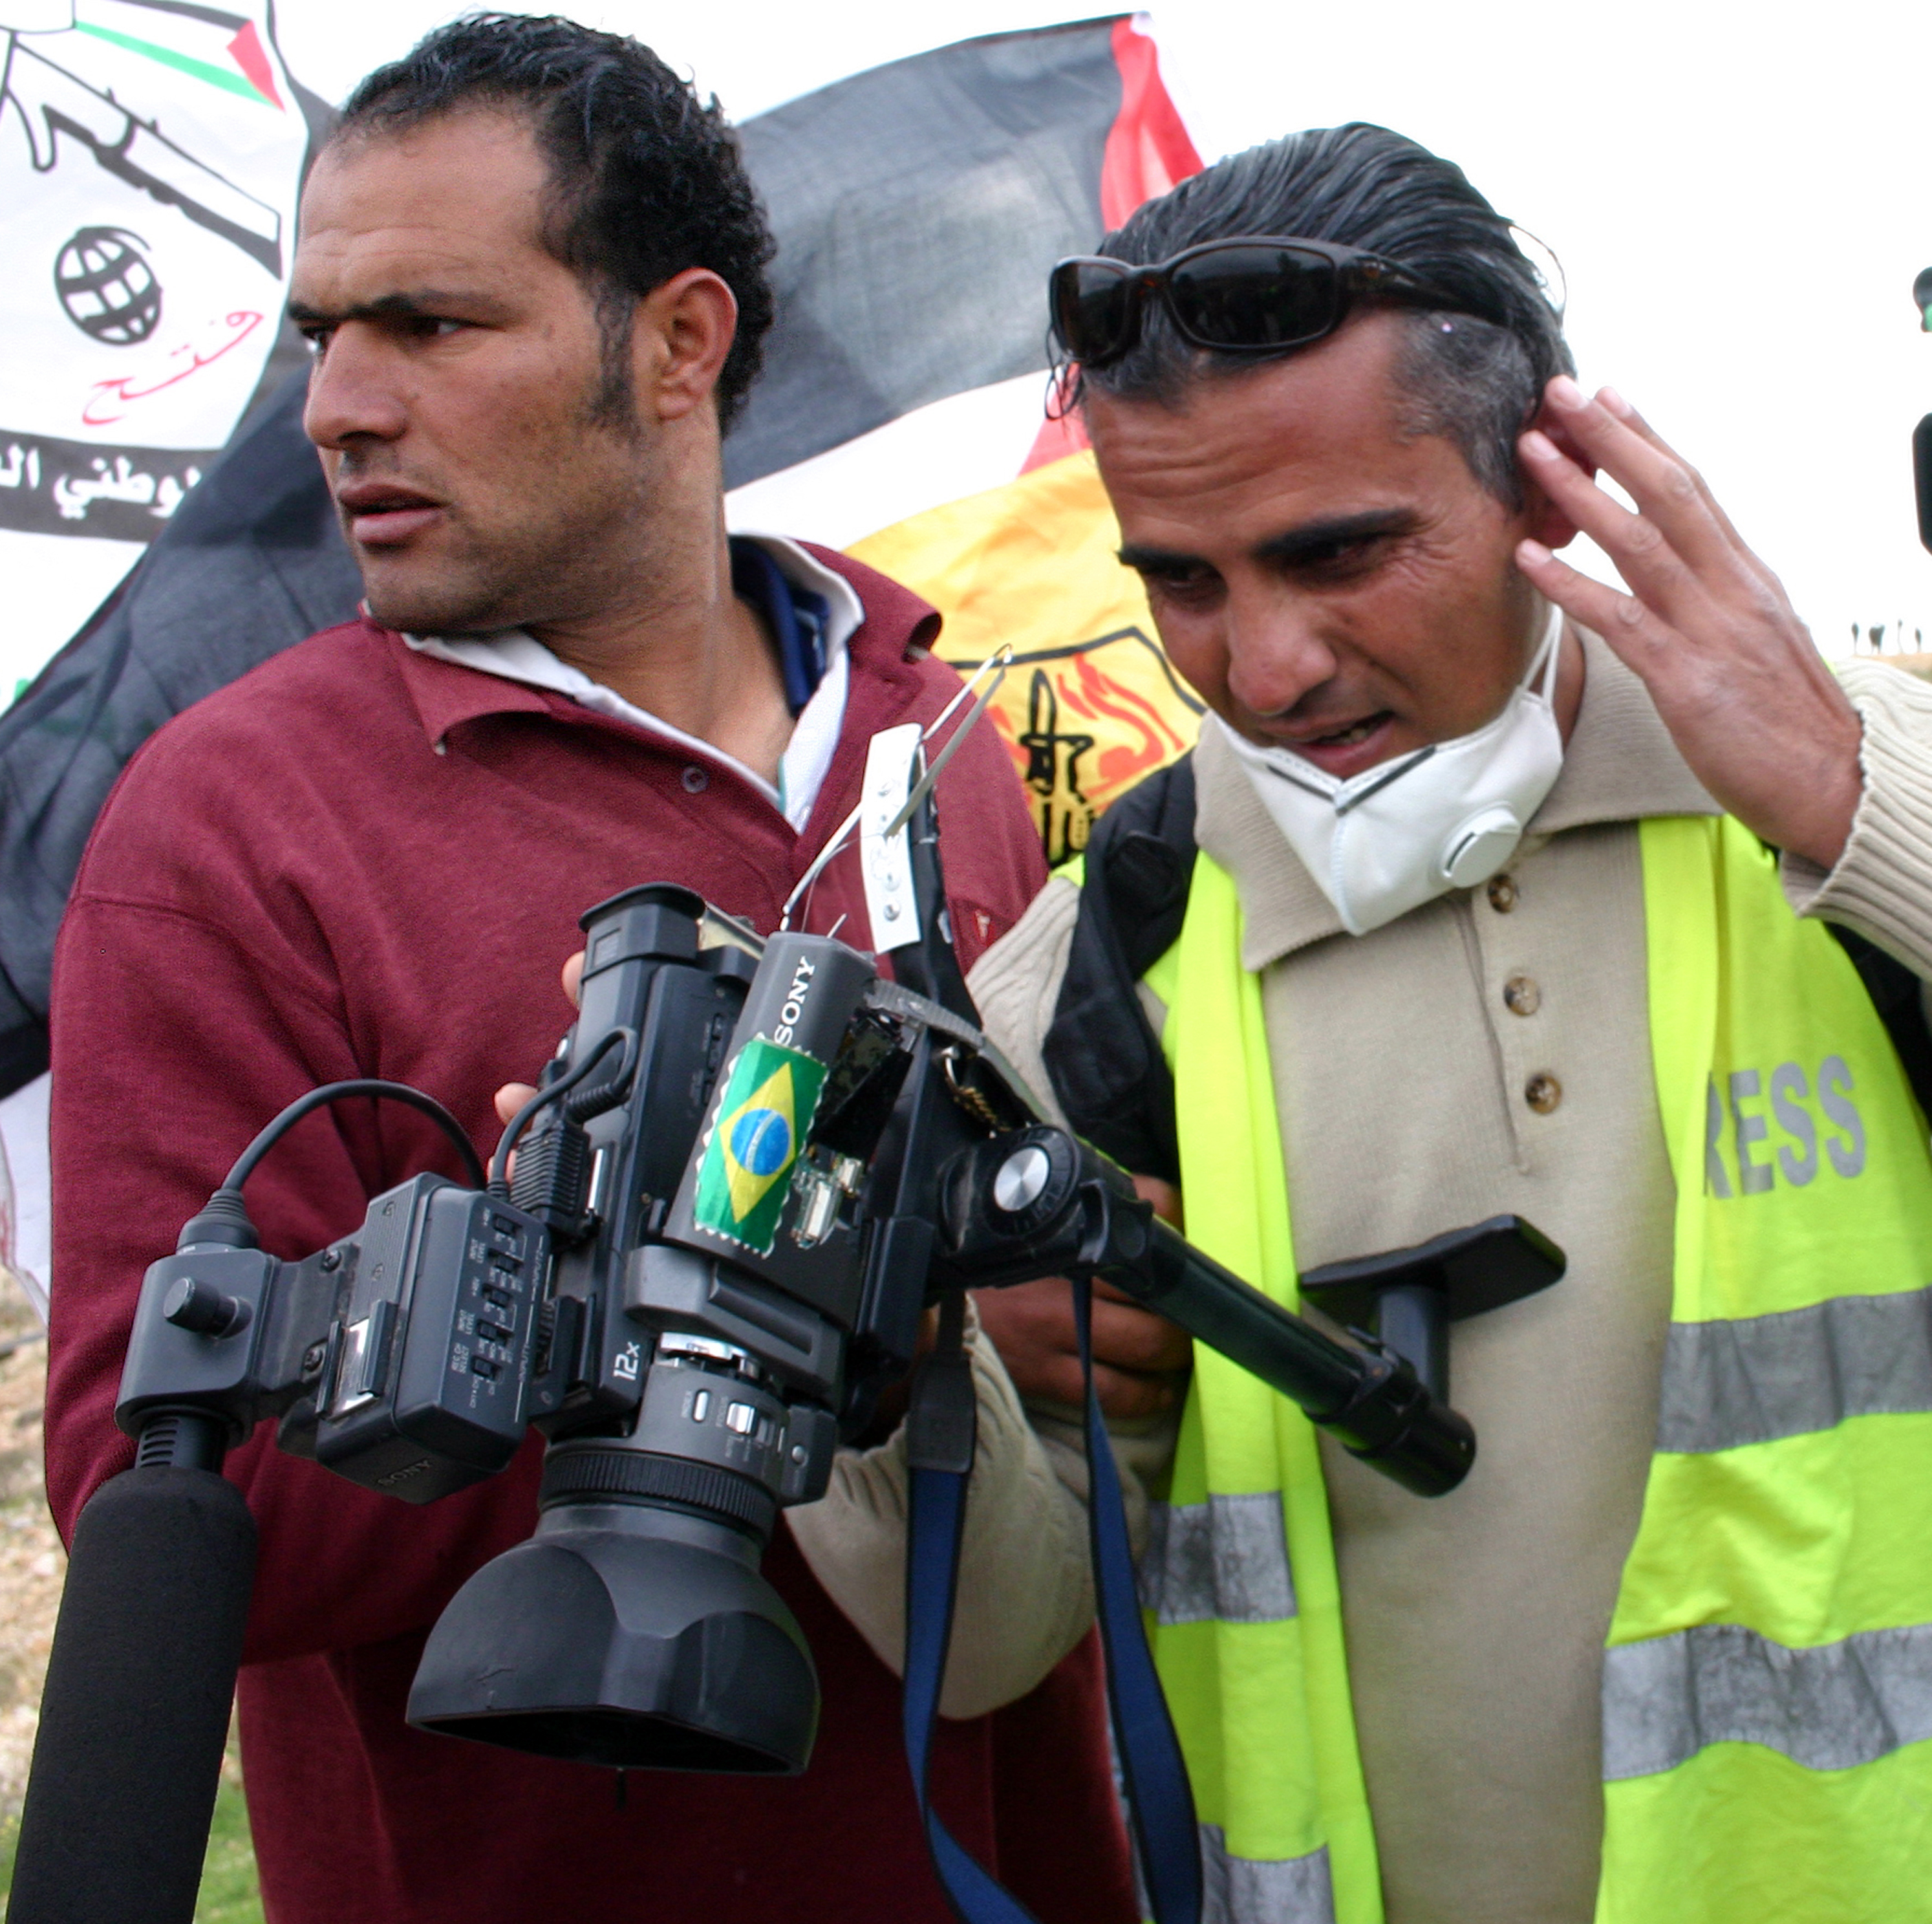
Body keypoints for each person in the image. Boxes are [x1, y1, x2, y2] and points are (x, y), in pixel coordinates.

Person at [41, 17, 1138, 1924]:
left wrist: (1044, 1305)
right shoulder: (226, 823)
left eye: (430, 325)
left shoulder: (938, 735)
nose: (339, 409)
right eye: (323, 337)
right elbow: (142, 1486)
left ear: (678, 341)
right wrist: (596, 1304)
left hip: (1014, 1861)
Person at [968, 122, 1932, 1924]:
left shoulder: (1858, 782)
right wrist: (943, 1371)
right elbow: (976, 1651)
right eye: (1182, 579)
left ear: (1549, 488)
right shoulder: (1094, 962)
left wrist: (1849, 806)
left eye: (1339, 552)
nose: (1264, 668)